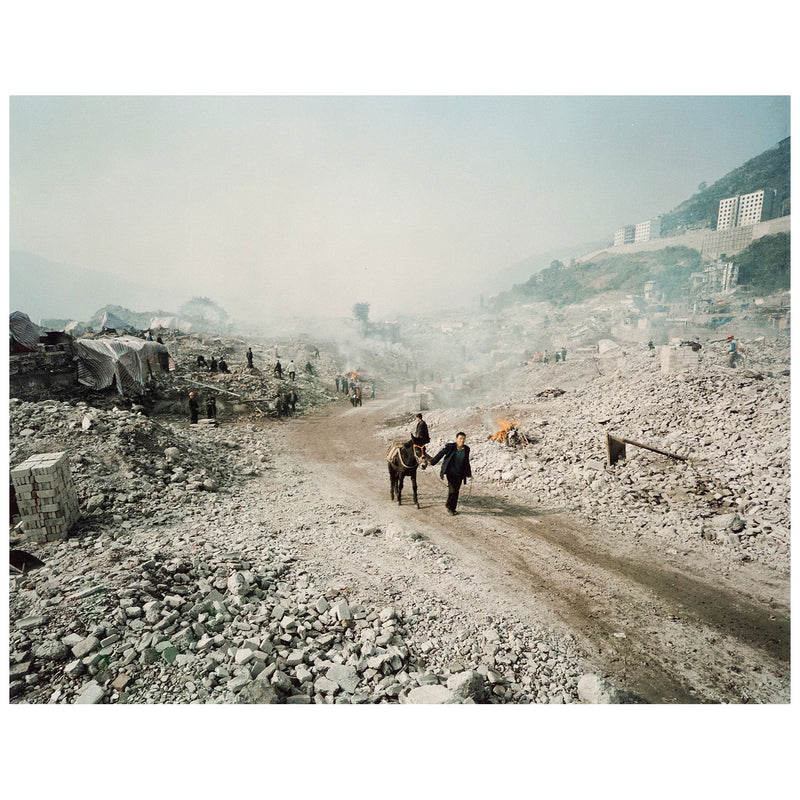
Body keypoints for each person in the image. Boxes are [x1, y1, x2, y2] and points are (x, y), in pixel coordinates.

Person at [428, 432, 472, 516]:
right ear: (456, 439)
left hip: (460, 473)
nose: (462, 441)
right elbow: (441, 454)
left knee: (456, 490)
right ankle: (451, 508)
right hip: (451, 472)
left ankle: (448, 504)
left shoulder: (466, 449)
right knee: (453, 490)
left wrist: (468, 473)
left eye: (464, 439)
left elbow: (466, 461)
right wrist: (432, 462)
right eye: (460, 439)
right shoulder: (450, 447)